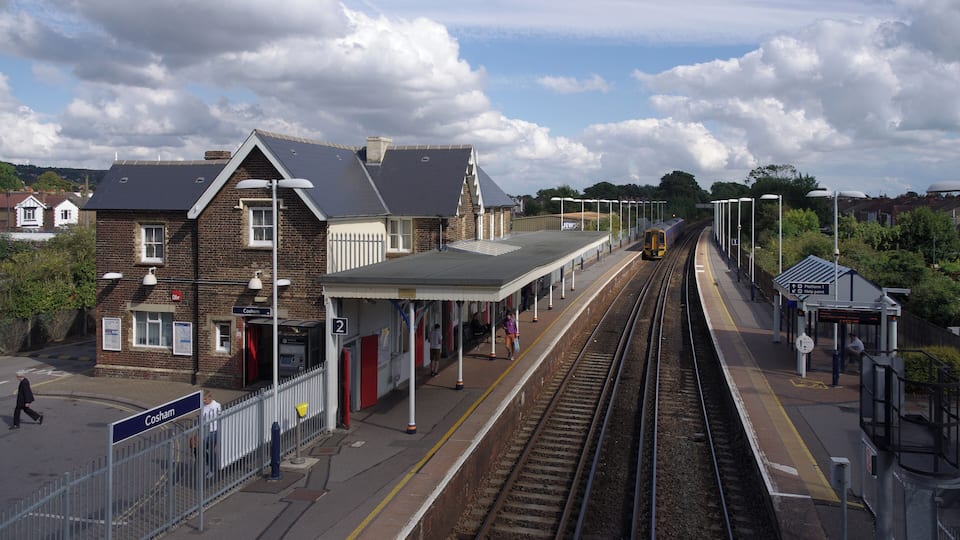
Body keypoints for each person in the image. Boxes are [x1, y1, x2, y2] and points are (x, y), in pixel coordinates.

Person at [201, 390, 221, 479]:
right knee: (202, 449)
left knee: (210, 450)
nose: (204, 401)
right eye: (203, 399)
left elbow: (219, 418)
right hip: (205, 431)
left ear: (210, 397)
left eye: (205, 399)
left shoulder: (216, 405)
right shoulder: (203, 406)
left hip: (214, 431)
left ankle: (211, 470)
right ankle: (210, 464)